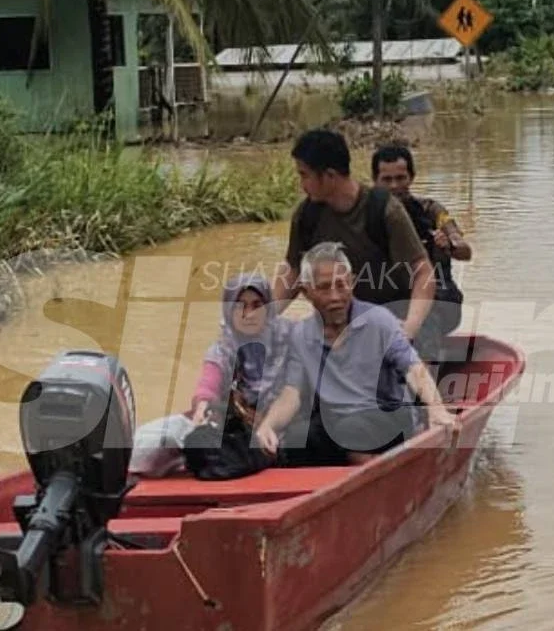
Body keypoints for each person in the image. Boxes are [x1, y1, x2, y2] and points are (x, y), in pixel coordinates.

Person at [256, 242, 459, 466]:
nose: (335, 296)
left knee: (349, 430)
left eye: (341, 285)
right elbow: (291, 393)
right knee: (295, 438)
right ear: (306, 292)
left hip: (388, 416)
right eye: (324, 288)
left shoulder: (378, 321)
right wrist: (268, 426)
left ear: (352, 283)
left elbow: (413, 367)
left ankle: (373, 478)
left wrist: (436, 409)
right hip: (337, 420)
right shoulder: (301, 334)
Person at [272, 129, 437, 352]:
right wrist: (264, 318)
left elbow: (423, 273)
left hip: (392, 322)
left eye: (304, 175)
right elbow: (292, 270)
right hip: (340, 328)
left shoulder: (384, 211)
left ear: (329, 176)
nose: (302, 184)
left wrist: (408, 330)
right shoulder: (307, 215)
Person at [128, 273, 291, 478]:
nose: (249, 314)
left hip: (283, 425)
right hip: (239, 423)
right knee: (149, 439)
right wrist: (202, 408)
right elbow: (210, 381)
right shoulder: (224, 348)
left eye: (257, 305)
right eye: (241, 306)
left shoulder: (288, 340)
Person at [372, 144, 473, 363]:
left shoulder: (431, 210)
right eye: (386, 180)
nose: (394, 186)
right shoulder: (365, 217)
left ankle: (426, 387)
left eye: (401, 178)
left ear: (412, 177)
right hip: (389, 301)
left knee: (424, 315)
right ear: (375, 181)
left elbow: (465, 250)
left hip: (439, 303)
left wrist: (450, 245)